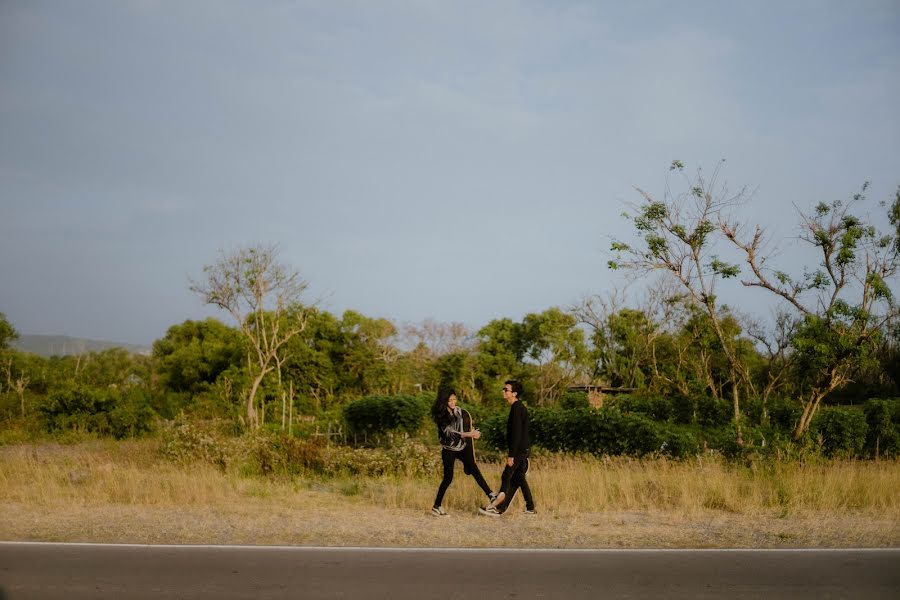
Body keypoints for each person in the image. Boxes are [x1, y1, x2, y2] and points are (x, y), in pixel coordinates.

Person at [430, 388, 500, 516]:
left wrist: (475, 433)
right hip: (449, 449)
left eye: (454, 399)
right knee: (448, 478)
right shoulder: (442, 416)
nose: (452, 402)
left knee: (474, 469)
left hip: (462, 447)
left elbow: (468, 426)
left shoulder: (461, 412)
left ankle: (491, 495)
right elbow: (450, 433)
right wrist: (469, 434)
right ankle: (436, 506)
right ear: (444, 401)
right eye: (449, 400)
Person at [479, 380, 535, 516]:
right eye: (503, 389)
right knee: (519, 479)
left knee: (506, 476)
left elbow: (516, 434)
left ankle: (496, 505)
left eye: (506, 389)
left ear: (514, 393)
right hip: (523, 449)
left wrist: (511, 455)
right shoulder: (519, 407)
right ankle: (530, 508)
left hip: (518, 451)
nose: (503, 391)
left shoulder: (517, 409)